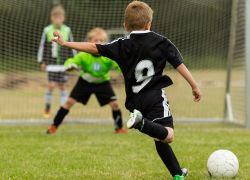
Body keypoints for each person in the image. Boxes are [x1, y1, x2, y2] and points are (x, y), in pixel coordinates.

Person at [50, 1, 202, 179]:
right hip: (154, 96)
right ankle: (140, 123)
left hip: (133, 100)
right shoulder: (162, 42)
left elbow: (92, 48)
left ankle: (177, 174)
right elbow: (179, 65)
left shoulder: (121, 44)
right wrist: (194, 85)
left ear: (125, 26)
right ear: (148, 23)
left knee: (157, 135)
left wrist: (65, 43)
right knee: (168, 135)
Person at [46, 28, 127, 134]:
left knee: (115, 104)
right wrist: (69, 66)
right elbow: (71, 61)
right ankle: (54, 126)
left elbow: (120, 66)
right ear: (89, 42)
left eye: (102, 40)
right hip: (85, 82)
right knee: (69, 102)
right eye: (96, 40)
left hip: (102, 82)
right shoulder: (84, 54)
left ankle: (119, 128)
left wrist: (128, 71)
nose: (99, 43)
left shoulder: (108, 56)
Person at [37, 5, 77, 118]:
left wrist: (74, 61)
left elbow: (72, 46)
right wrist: (42, 61)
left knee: (63, 86)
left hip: (63, 65)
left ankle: (61, 111)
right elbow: (42, 46)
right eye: (56, 18)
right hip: (51, 65)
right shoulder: (47, 30)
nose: (58, 20)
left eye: (60, 18)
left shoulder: (67, 30)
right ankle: (47, 108)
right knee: (51, 85)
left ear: (63, 18)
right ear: (52, 18)